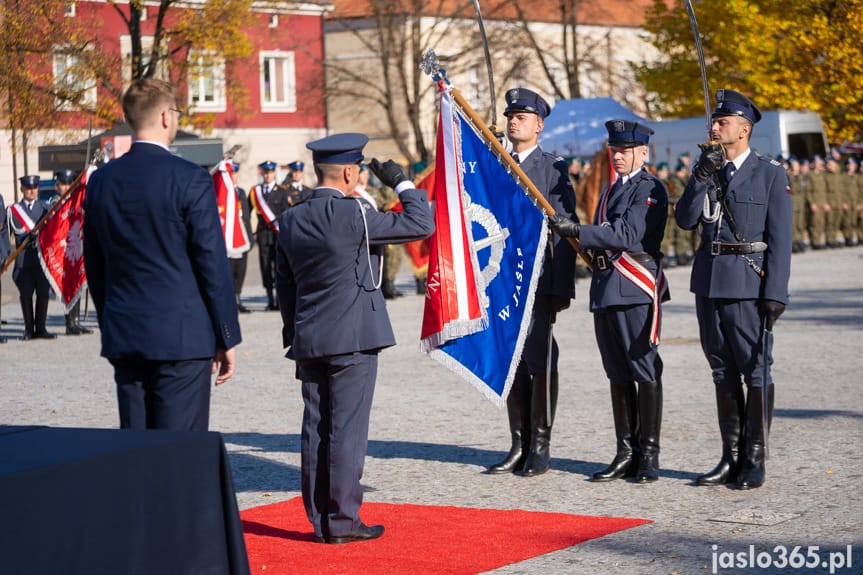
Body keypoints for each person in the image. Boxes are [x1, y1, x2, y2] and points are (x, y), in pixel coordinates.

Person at [275, 133, 434, 544]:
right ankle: (342, 521)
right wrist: (401, 181)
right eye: (359, 170)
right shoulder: (355, 215)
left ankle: (319, 518)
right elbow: (422, 223)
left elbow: (284, 285)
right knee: (346, 430)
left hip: (309, 337)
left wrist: (294, 332)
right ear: (349, 172)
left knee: (315, 428)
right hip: (353, 340)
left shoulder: (291, 219)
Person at [83, 78, 241, 431]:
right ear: (168, 117)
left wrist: (112, 316)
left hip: (125, 332)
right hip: (182, 338)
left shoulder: (101, 181)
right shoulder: (190, 178)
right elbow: (211, 264)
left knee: (136, 452)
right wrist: (225, 334)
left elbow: (94, 262)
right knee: (178, 454)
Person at [674, 89, 792, 490]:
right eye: (714, 121)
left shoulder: (770, 173)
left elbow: (780, 238)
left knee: (755, 369)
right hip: (708, 280)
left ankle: (755, 458)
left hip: (747, 282)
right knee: (721, 370)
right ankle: (731, 455)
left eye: (722, 122)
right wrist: (699, 176)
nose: (714, 127)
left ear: (743, 129)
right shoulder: (707, 168)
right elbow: (686, 221)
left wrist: (776, 293)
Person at [550, 120, 668, 483]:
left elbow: (627, 234)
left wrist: (578, 231)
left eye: (626, 151)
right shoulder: (608, 191)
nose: (618, 156)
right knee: (616, 373)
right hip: (606, 288)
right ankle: (625, 450)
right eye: (614, 150)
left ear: (643, 153)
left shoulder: (650, 189)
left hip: (634, 288)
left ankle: (648, 453)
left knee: (643, 369)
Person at [486, 87, 577, 477]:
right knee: (513, 362)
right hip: (504, 277)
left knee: (539, 360)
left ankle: (540, 444)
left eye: (521, 117)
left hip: (538, 277)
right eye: (510, 116)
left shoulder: (552, 168)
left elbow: (566, 230)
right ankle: (518, 442)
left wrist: (561, 286)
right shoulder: (497, 162)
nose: (512, 122)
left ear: (539, 126)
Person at [8, 175, 57, 340]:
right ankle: (29, 329)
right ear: (22, 189)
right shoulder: (13, 211)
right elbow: (6, 236)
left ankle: (41, 328)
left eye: (35, 188)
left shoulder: (45, 208)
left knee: (43, 293)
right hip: (23, 261)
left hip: (41, 259)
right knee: (26, 294)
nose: (32, 191)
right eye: (28, 188)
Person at [47, 169, 94, 335]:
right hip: (59, 251)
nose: (64, 187)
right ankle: (69, 323)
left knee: (77, 282)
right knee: (67, 284)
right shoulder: (53, 203)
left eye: (68, 184)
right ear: (57, 186)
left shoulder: (78, 202)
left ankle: (76, 321)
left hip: (76, 247)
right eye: (61, 184)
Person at [250, 160, 289, 310]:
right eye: (265, 173)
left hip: (277, 235)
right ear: (262, 174)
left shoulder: (282, 191)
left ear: (274, 174)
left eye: (270, 173)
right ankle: (269, 299)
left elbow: (286, 213)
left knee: (278, 268)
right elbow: (248, 212)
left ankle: (279, 300)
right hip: (263, 235)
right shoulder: (256, 191)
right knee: (265, 267)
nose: (268, 175)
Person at [228, 162, 253, 313]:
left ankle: (238, 297)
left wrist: (250, 237)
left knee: (241, 271)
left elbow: (247, 218)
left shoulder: (241, 193)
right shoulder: (221, 193)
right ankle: (231, 301)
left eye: (235, 173)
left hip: (242, 238)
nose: (233, 176)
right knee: (230, 271)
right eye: (231, 173)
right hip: (230, 240)